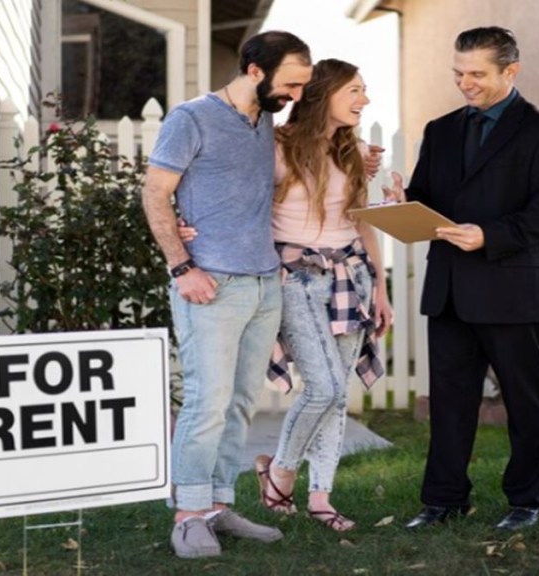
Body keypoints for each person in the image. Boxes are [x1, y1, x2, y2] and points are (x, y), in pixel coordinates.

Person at [183, 59, 393, 532]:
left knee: (337, 395)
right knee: (324, 387)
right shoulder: (276, 147)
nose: (364, 100)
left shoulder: (354, 151)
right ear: (325, 94)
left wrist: (380, 288)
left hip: (350, 276)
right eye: (355, 90)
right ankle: (280, 471)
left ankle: (321, 497)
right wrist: (186, 224)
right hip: (295, 278)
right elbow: (236, 201)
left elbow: (362, 222)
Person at [384, 26, 539, 531]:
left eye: (476, 74)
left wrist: (490, 235)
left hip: (512, 288)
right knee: (449, 402)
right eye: (458, 73)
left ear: (510, 71)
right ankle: (443, 500)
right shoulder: (441, 130)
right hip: (450, 290)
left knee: (525, 402)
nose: (464, 83)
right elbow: (430, 198)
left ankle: (530, 498)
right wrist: (403, 202)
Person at [141, 30, 313, 559]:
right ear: (255, 70)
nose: (296, 96)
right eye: (290, 85)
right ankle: (188, 516)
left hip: (263, 282)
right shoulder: (191, 118)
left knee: (240, 404)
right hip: (210, 283)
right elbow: (155, 192)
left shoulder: (264, 122)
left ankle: (218, 505)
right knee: (207, 402)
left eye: (302, 87)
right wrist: (182, 266)